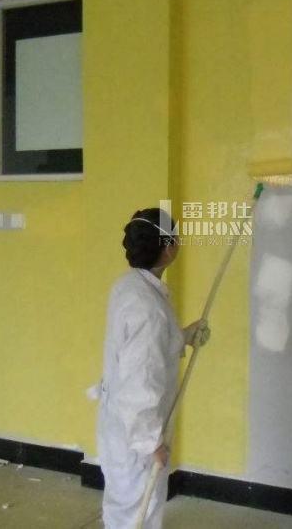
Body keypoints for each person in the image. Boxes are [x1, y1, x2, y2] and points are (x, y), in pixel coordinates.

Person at [97, 208, 208, 529]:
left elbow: (143, 350)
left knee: (125, 504)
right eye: (177, 237)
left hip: (121, 421)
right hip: (135, 432)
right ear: (168, 248)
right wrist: (151, 443)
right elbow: (140, 379)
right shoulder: (149, 309)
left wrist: (184, 336)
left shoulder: (130, 286)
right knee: (136, 510)